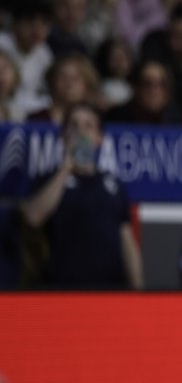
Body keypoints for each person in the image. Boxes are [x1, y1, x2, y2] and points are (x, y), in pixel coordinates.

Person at [19, 102, 142, 289]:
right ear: (63, 135)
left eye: (88, 126)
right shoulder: (48, 178)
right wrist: (67, 167)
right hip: (62, 290)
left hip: (111, 290)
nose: (80, 132)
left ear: (99, 137)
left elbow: (127, 241)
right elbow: (32, 217)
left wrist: (138, 289)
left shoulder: (113, 184)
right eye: (73, 125)